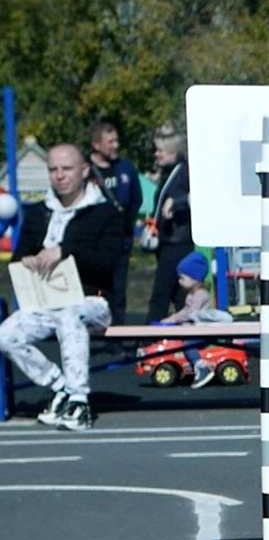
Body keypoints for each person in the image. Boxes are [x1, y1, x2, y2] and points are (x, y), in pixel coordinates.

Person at [0, 143, 124, 433]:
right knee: (6, 334)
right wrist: (28, 261)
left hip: (93, 301)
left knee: (70, 316)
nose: (59, 176)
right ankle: (60, 387)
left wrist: (65, 252)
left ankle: (80, 401)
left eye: (66, 169)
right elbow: (18, 258)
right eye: (53, 169)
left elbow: (107, 265)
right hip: (44, 302)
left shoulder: (106, 214)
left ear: (84, 171)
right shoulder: (38, 213)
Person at [87, 121, 140, 324]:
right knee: (89, 291)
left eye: (116, 140)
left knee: (117, 292)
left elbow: (136, 199)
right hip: (91, 245)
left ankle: (116, 336)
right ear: (96, 145)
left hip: (119, 243)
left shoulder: (125, 168)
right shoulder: (84, 170)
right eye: (110, 141)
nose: (116, 145)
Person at [156, 251, 233, 388]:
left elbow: (192, 313)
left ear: (195, 278)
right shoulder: (193, 294)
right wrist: (172, 318)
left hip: (203, 330)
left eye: (182, 278)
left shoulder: (200, 295)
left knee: (188, 344)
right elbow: (186, 311)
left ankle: (201, 367)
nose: (179, 282)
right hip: (198, 328)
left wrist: (175, 320)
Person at [145, 131, 194, 323]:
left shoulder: (183, 173)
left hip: (177, 242)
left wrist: (176, 202)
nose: (157, 154)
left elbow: (197, 196)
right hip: (168, 240)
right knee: (177, 294)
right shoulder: (168, 175)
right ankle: (180, 335)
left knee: (161, 292)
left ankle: (151, 336)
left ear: (174, 153)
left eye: (161, 151)